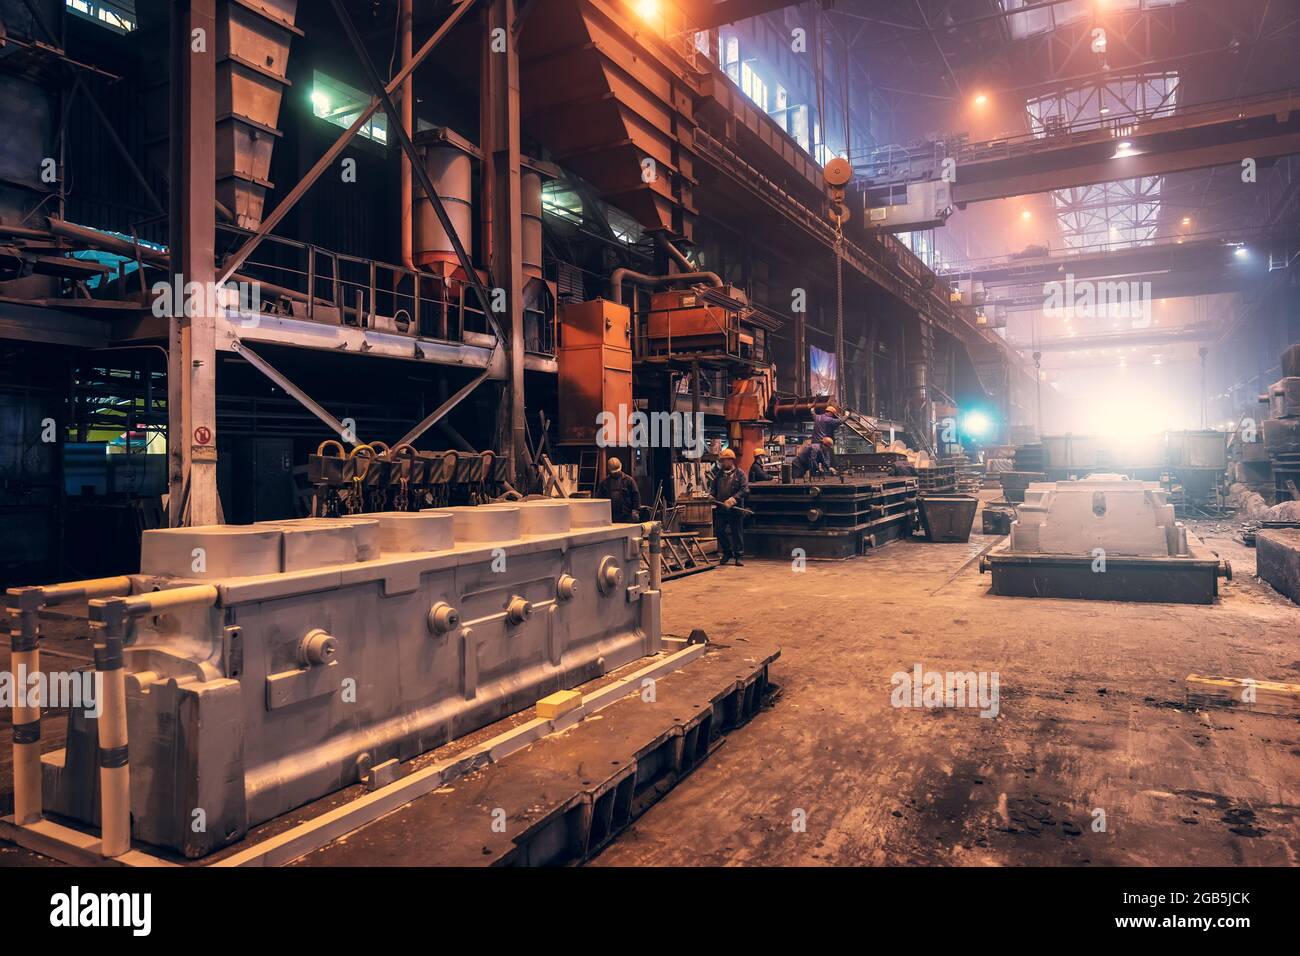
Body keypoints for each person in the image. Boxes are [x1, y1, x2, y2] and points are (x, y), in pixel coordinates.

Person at [710, 447, 749, 566]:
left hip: (734, 510)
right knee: (719, 531)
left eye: (726, 460)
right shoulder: (719, 474)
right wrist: (712, 495)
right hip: (721, 509)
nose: (724, 463)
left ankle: (739, 556)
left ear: (732, 460)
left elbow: (745, 489)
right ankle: (727, 553)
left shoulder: (740, 474)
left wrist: (734, 499)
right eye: (722, 460)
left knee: (737, 533)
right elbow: (713, 488)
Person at [596, 456, 641, 523]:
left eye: (617, 471)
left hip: (626, 516)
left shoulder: (629, 481)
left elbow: (636, 496)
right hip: (610, 516)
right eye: (614, 472)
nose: (616, 473)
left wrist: (635, 511)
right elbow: (599, 498)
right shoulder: (604, 483)